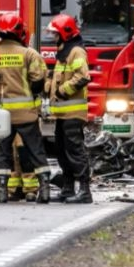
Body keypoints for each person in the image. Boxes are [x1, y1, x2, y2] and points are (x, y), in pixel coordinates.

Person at [0, 12, 52, 204]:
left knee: (2, 153)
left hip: (2, 114)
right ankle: (44, 192)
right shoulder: (29, 54)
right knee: (36, 151)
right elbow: (39, 80)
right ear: (19, 32)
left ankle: (2, 192)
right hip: (26, 114)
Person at [45, 14, 93, 204]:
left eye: (56, 34)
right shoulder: (64, 52)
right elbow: (57, 78)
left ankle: (84, 190)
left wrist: (63, 91)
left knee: (75, 151)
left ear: (65, 33)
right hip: (62, 113)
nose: (53, 37)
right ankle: (67, 187)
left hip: (73, 113)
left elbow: (83, 77)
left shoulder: (76, 52)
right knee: (62, 150)